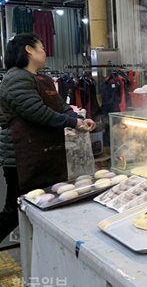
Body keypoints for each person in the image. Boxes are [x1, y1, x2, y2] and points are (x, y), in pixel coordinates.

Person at [0, 33, 95, 242]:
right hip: (23, 158)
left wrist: (78, 119)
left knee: (46, 202)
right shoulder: (16, 78)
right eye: (41, 48)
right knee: (14, 210)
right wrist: (73, 123)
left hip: (45, 154)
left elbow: (62, 107)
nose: (45, 52)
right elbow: (36, 112)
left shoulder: (42, 79)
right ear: (28, 50)